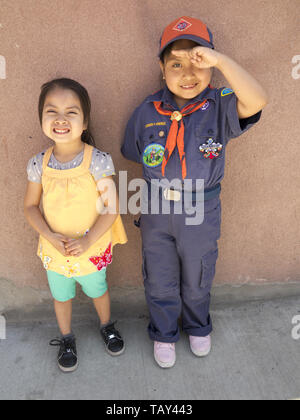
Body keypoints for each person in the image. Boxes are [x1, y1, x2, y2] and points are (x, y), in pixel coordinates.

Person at [121, 16, 268, 368]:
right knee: (159, 275)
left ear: (212, 66)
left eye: (198, 62)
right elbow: (133, 153)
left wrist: (221, 62)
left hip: (201, 210)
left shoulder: (220, 105)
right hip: (157, 209)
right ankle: (164, 332)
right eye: (176, 64)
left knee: (199, 272)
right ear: (161, 67)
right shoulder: (146, 111)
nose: (188, 74)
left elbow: (258, 99)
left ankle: (198, 326)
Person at [24, 78, 127, 372]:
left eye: (71, 111)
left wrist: (88, 240)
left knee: (98, 289)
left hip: (91, 247)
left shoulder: (98, 161)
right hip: (54, 249)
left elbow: (111, 208)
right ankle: (67, 337)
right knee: (61, 296)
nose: (60, 119)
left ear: (84, 121)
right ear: (41, 119)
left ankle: (107, 326)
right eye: (51, 111)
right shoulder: (37, 164)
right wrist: (49, 235)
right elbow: (30, 207)